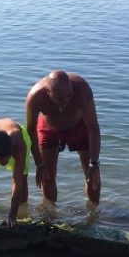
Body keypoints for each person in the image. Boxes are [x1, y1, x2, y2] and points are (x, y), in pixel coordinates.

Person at [25, 70, 101, 205]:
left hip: (79, 126)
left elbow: (93, 127)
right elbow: (30, 130)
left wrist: (94, 163)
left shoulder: (82, 90)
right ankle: (50, 219)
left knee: (92, 175)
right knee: (47, 177)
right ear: (47, 92)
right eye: (59, 98)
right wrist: (38, 163)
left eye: (69, 96)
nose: (65, 101)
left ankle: (94, 215)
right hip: (49, 127)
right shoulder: (35, 97)